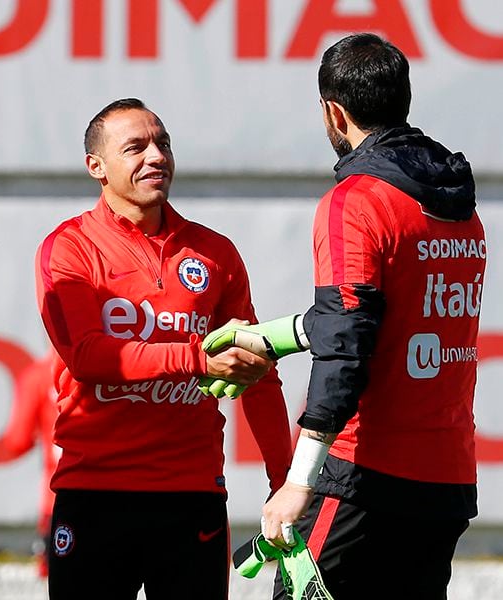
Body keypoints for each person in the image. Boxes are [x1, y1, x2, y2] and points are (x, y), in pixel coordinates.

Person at [202, 33, 485, 600]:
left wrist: (297, 483)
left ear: (335, 111)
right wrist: (273, 337)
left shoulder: (357, 199)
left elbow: (348, 343)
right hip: (445, 480)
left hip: (362, 479)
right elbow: (378, 318)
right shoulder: (458, 205)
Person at [34, 97, 293, 599]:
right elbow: (88, 357)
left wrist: (282, 478)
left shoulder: (215, 253)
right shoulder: (69, 247)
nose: (156, 156)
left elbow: (260, 375)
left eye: (163, 143)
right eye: (135, 147)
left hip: (192, 496)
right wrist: (197, 357)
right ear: (96, 167)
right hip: (95, 495)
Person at [2, 347, 59, 578]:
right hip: (117, 494)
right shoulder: (110, 369)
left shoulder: (38, 375)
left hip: (58, 498)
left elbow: (17, 441)